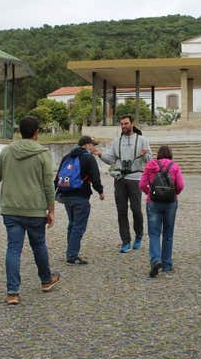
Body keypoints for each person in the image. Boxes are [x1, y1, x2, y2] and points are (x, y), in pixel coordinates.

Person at [0, 116, 61, 306]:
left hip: (11, 209)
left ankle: (12, 292)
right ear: (36, 132)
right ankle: (46, 280)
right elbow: (49, 186)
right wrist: (51, 210)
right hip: (35, 209)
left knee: (13, 249)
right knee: (39, 245)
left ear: (19, 131)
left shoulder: (7, 151)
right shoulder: (43, 154)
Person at [96, 114, 152, 253]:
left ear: (132, 124)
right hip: (120, 179)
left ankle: (139, 234)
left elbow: (150, 161)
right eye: (121, 124)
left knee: (136, 209)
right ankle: (125, 241)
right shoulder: (117, 141)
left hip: (135, 179)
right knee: (121, 210)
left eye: (126, 123)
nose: (123, 126)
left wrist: (145, 154)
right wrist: (100, 154)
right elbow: (110, 159)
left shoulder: (142, 140)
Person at [55, 135, 105, 265]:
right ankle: (72, 256)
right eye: (92, 145)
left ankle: (70, 252)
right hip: (80, 196)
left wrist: (56, 192)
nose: (93, 148)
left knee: (72, 224)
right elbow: (95, 178)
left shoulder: (67, 157)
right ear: (87, 145)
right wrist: (100, 191)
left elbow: (58, 177)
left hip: (66, 196)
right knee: (78, 226)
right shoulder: (88, 158)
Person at [139, 145, 185, 277]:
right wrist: (174, 193)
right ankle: (167, 264)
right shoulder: (174, 166)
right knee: (168, 234)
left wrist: (149, 193)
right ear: (170, 154)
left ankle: (155, 260)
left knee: (154, 233)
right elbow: (180, 185)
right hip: (170, 202)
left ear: (158, 154)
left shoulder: (150, 165)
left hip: (153, 202)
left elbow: (142, 184)